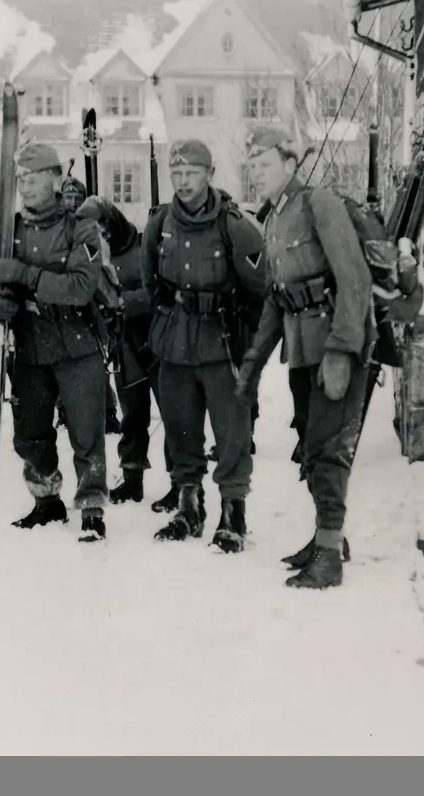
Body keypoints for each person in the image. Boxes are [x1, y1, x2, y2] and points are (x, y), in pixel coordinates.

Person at [236, 126, 375, 589]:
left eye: (265, 164)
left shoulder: (320, 204)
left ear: (291, 164)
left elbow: (352, 278)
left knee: (328, 451)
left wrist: (341, 350)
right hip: (301, 351)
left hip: (333, 347)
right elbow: (279, 298)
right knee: (312, 450)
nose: (256, 173)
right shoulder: (275, 218)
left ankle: (330, 557)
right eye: (251, 166)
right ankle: (325, 537)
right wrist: (254, 363)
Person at [0, 141, 115, 543]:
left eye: (34, 177)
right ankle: (46, 499)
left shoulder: (79, 227)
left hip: (75, 342)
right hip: (29, 344)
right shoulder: (8, 228)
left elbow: (80, 287)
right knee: (30, 434)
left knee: (87, 431)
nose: (27, 185)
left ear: (55, 178)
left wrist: (23, 275)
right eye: (22, 178)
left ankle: (91, 507)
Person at [141, 140, 266, 553]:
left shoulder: (235, 225)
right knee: (180, 427)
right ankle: (188, 506)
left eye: (191, 174)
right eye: (176, 175)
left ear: (209, 175)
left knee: (231, 432)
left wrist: (245, 344)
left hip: (222, 343)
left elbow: (258, 289)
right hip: (174, 342)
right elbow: (150, 281)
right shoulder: (160, 223)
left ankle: (233, 515)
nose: (183, 182)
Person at [80, 195, 174, 505]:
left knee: (175, 418)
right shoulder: (90, 255)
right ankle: (132, 478)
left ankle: (182, 484)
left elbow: (160, 289)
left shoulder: (145, 246)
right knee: (133, 416)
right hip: (123, 347)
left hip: (158, 341)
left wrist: (124, 302)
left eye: (103, 229)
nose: (101, 236)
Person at [58, 173, 121, 435]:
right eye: (68, 197)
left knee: (95, 359)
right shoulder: (54, 227)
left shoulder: (93, 230)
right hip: (60, 302)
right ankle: (64, 411)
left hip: (90, 302)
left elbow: (104, 267)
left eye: (77, 197)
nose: (72, 202)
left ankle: (107, 412)